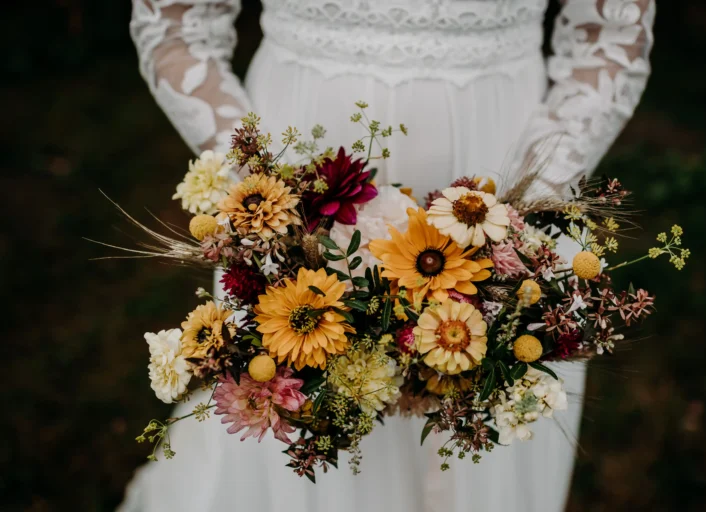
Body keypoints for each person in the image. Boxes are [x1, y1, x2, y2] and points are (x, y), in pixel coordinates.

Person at [121, 1, 655, 511]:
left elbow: (613, 34)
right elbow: (176, 26)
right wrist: (268, 196)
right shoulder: (278, 201)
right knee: (304, 397)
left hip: (504, 158)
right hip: (298, 164)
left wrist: (529, 202)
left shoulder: (517, 210)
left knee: (492, 398)